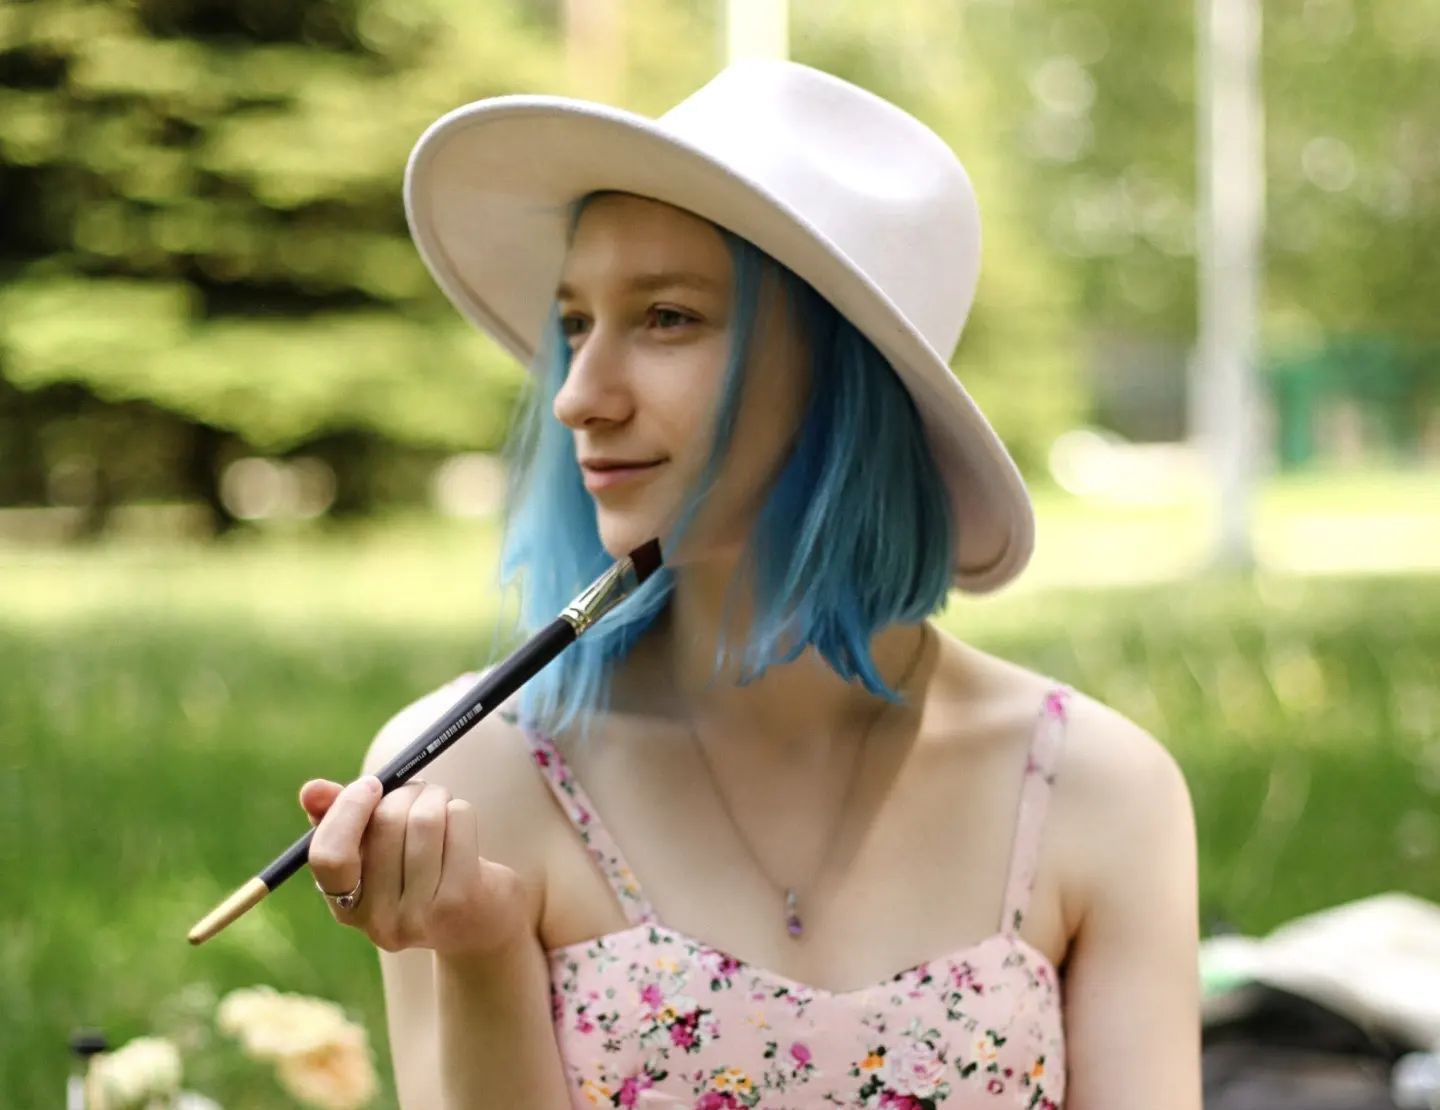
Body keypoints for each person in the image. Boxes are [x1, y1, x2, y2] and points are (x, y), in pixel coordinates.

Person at [300, 60, 1201, 1110]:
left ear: (842, 371)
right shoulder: (473, 782)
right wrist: (482, 951)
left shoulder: (1099, 792)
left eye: (666, 317)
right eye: (576, 324)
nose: (578, 396)